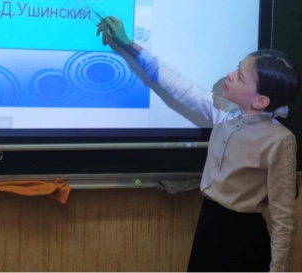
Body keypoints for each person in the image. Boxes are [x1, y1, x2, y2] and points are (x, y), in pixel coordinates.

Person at [96, 16, 299, 272]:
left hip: (244, 240)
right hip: (210, 226)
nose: (230, 75)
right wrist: (128, 44)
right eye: (237, 68)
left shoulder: (280, 140)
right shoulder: (224, 113)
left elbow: (284, 220)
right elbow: (176, 83)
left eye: (240, 77)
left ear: (260, 101)